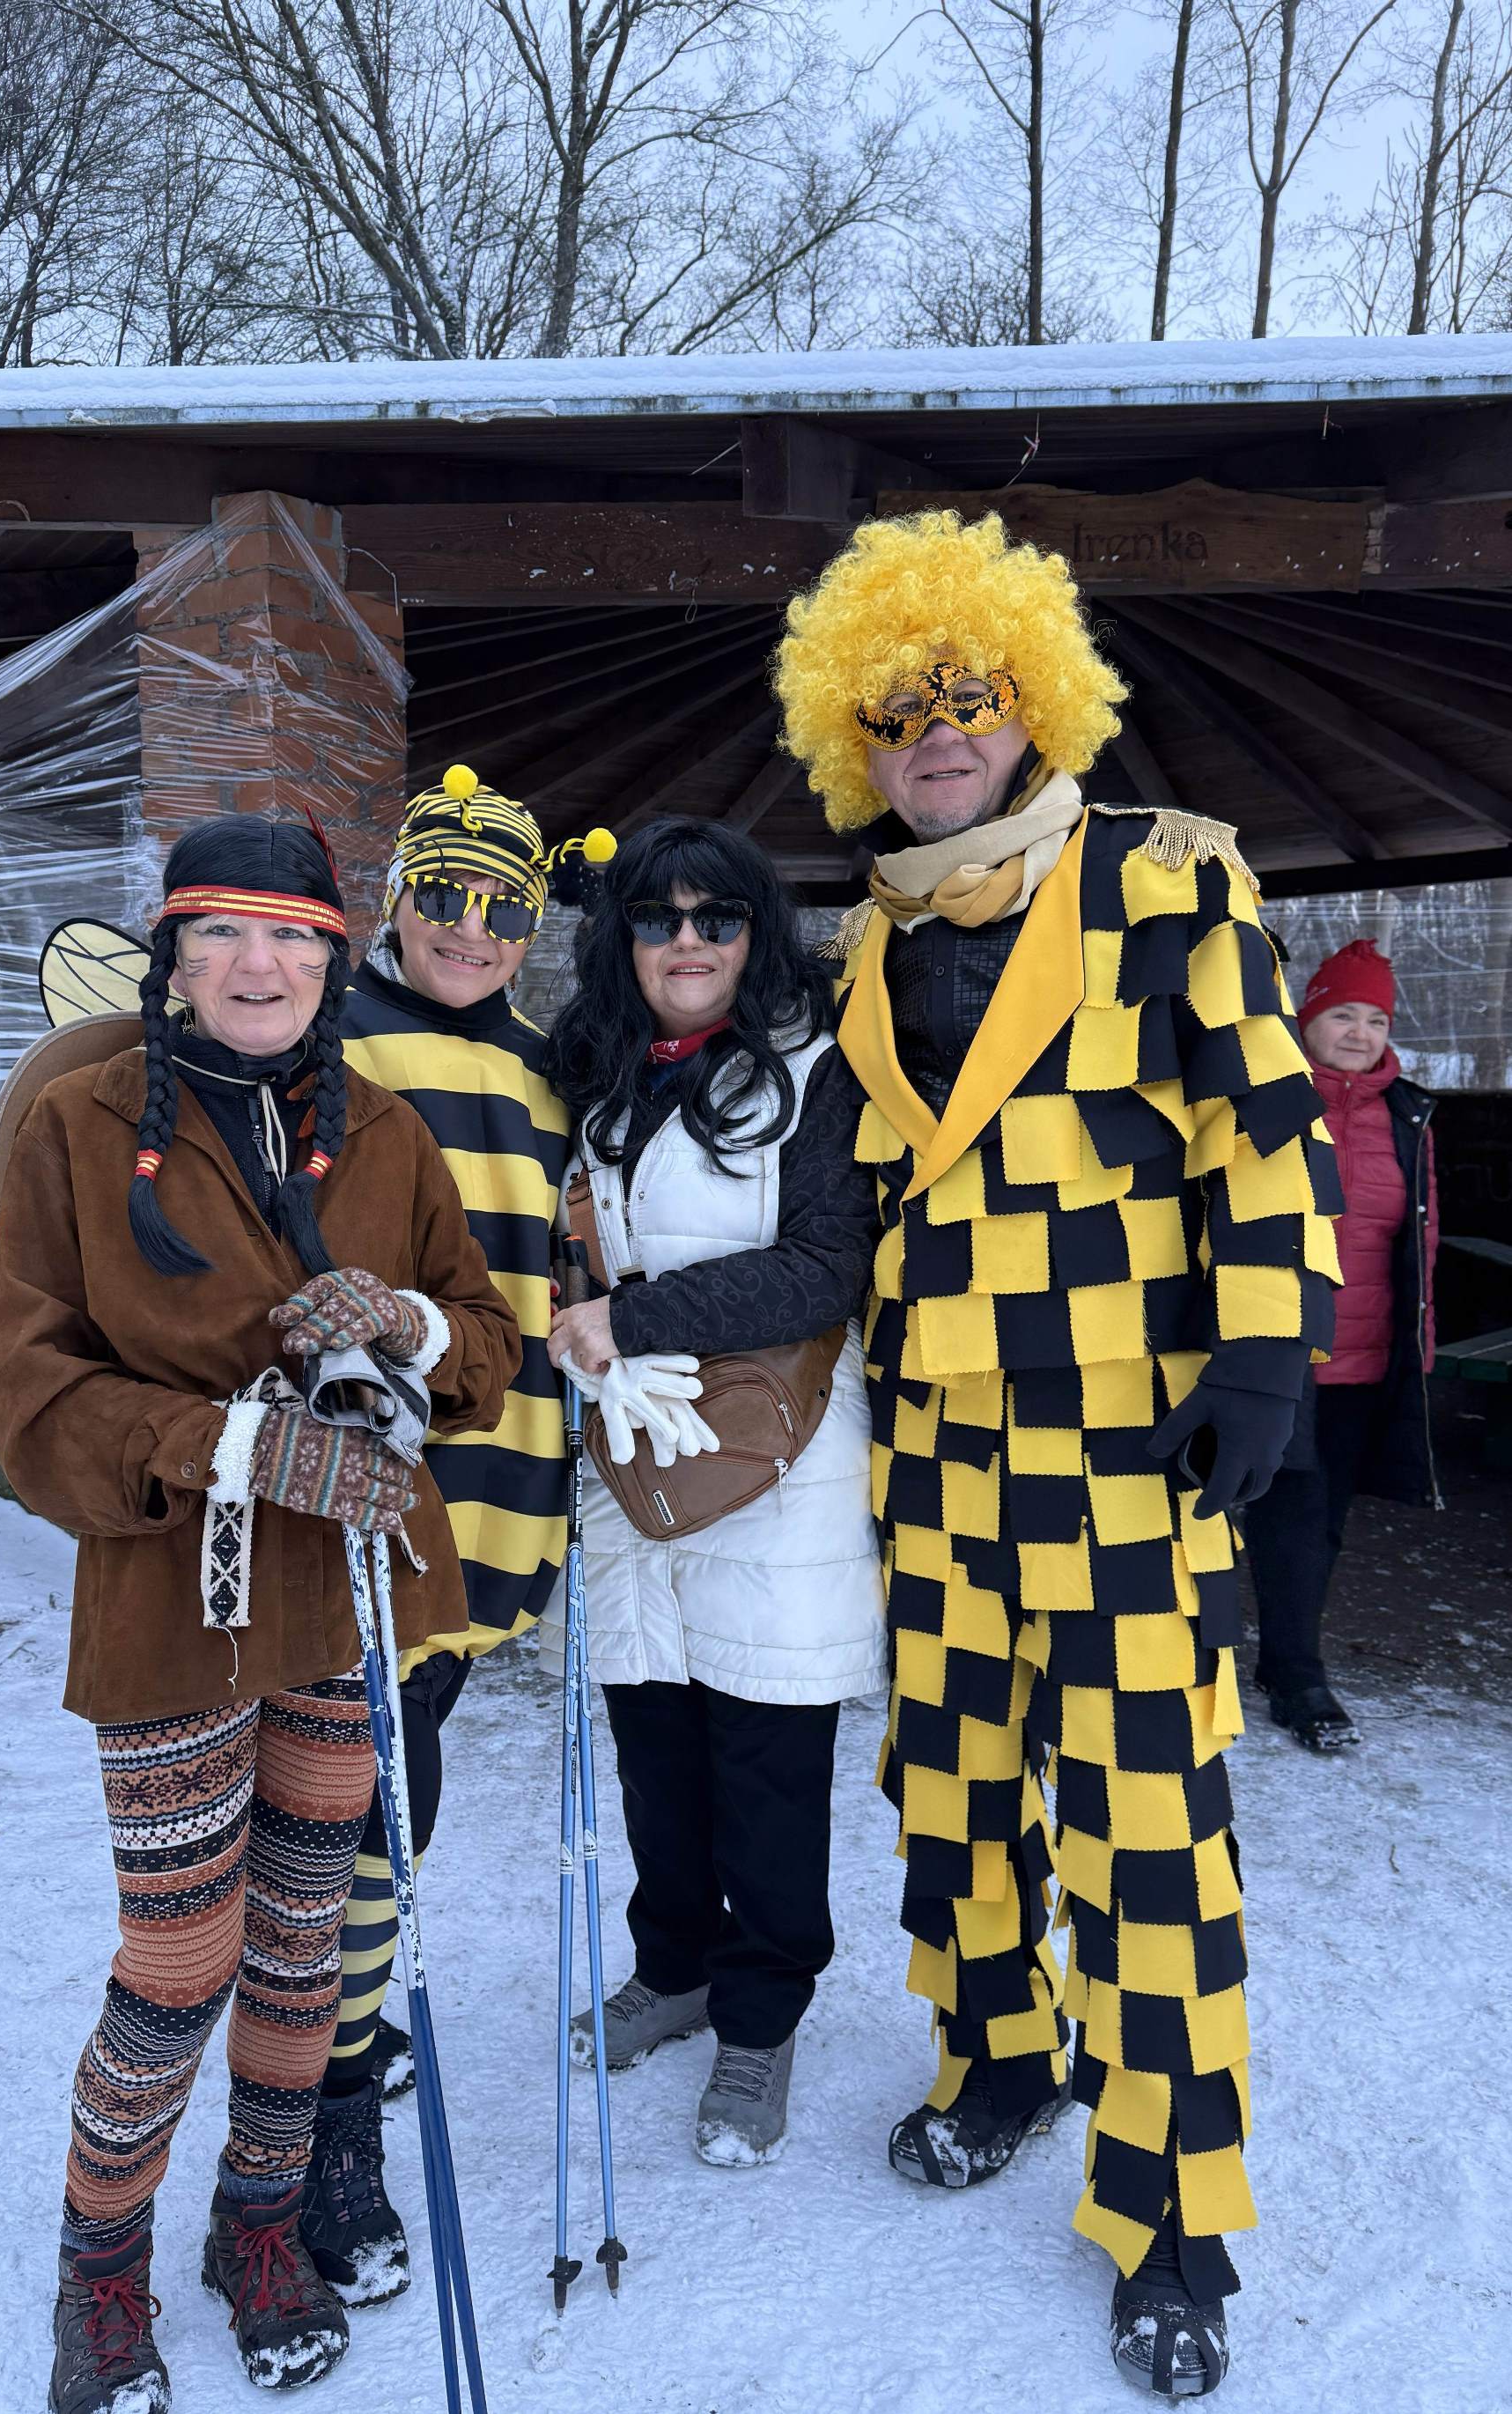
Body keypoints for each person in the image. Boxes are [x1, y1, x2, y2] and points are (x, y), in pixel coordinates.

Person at [774, 510, 1342, 2399]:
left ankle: (1170, 2211)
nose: (933, 730)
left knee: (1146, 1828)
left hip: (1122, 1449)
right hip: (929, 1452)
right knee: (948, 1791)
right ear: (851, 735)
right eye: (891, 706)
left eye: (966, 692)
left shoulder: (1165, 882)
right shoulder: (869, 937)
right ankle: (1000, 2056)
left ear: (1032, 698)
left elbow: (1266, 1129)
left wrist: (1259, 1351)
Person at [0, 816, 519, 2414]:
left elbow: (486, 1340)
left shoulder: (383, 1127)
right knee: (180, 1954)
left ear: (333, 959)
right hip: (174, 1597)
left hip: (347, 1593)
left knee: (301, 1941)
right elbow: (31, 1397)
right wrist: (230, 1441)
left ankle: (259, 2224)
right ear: (172, 953)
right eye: (220, 931)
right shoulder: (77, 1121)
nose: (258, 963)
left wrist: (407, 1324)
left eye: (291, 934)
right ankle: (100, 2274)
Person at [302, 766, 608, 2307]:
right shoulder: (325, 1038)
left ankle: (345, 2018)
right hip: (362, 1477)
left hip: (501, 1475)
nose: (470, 928)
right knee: (361, 1791)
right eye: (442, 895)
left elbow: (570, 1258)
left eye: (503, 908)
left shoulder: (552, 1074)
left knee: (400, 1770)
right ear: (395, 897)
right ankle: (327, 2098)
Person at [542, 816, 886, 2168]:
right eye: (657, 918)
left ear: (758, 935)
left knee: (766, 1765)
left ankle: (761, 2015)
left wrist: (631, 1318)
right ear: (621, 939)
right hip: (636, 1463)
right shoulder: (600, 1077)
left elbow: (825, 1262)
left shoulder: (814, 1072)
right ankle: (674, 1967)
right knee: (658, 1752)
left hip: (776, 1469)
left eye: (717, 917)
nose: (687, 941)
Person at [1243, 938, 1439, 1752]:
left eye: (1376, 1019)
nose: (1360, 1032)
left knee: (1322, 1519)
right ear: (1308, 1019)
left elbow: (1420, 1242)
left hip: (1364, 1356)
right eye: (1343, 1015)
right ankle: (1296, 1675)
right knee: (1285, 1510)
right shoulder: (1269, 1094)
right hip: (1278, 1345)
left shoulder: (1410, 1116)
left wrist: (1418, 1350)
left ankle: (1285, 1660)